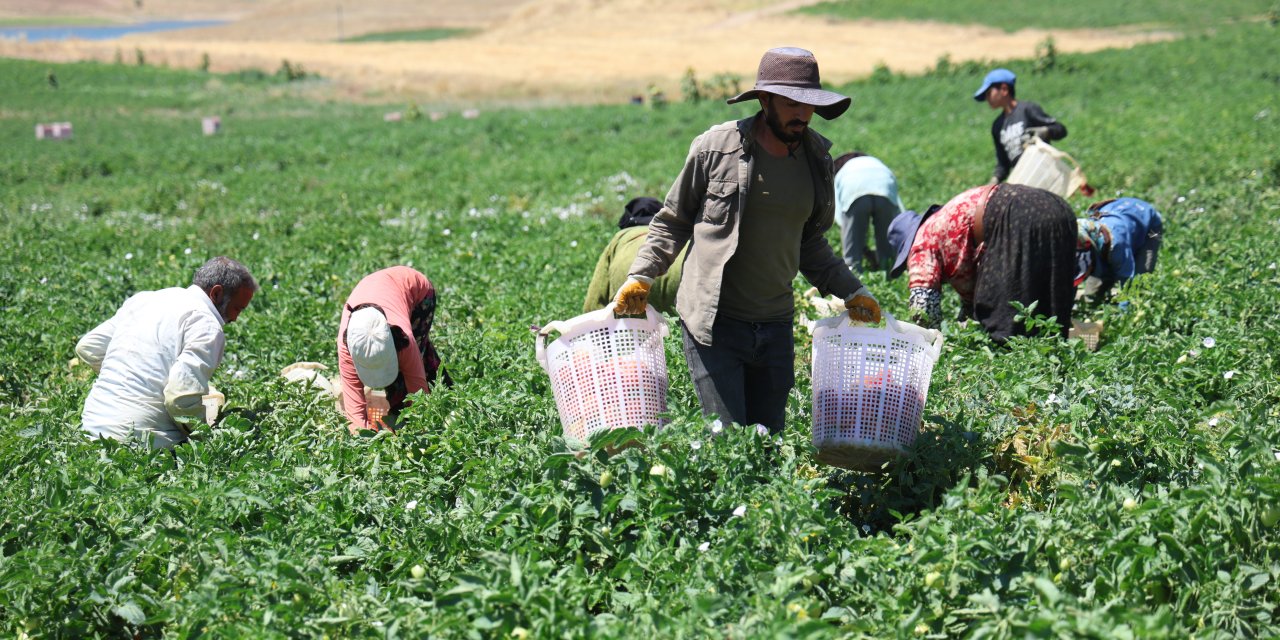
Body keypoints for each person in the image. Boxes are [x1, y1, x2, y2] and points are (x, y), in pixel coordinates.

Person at [613, 46, 881, 433]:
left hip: (774, 324)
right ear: (765, 99)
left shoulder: (817, 159)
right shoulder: (716, 148)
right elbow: (672, 221)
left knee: (769, 441)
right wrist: (642, 275)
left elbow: (810, 242)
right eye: (792, 103)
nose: (802, 114)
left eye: (810, 104)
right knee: (727, 443)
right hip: (715, 323)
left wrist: (851, 290)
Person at [75, 256, 257, 449]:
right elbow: (180, 397)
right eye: (237, 308)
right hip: (144, 443)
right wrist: (206, 438)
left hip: (90, 432)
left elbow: (88, 347)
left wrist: (128, 378)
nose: (236, 318)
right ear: (217, 293)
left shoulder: (144, 299)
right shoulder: (207, 325)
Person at [887, 183, 1076, 342]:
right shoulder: (943, 222)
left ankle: (1015, 363)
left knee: (1004, 321)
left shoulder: (922, 241)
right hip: (1058, 208)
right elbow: (974, 292)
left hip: (1015, 214)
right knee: (1048, 296)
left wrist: (929, 344)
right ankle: (1055, 353)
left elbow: (923, 305)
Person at [337, 266, 449, 434]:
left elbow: (417, 391)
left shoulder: (403, 338)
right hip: (380, 291)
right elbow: (355, 414)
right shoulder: (347, 347)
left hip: (417, 292)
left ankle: (449, 398)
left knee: (407, 374)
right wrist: (362, 439)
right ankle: (448, 390)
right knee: (418, 359)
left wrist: (419, 431)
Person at [583, 196, 685, 316]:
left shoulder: (621, 237)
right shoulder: (674, 233)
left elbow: (594, 303)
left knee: (631, 328)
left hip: (631, 277)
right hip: (680, 273)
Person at [974, 68, 1067, 184]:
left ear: (1004, 89)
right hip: (1023, 180)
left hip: (1043, 174)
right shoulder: (997, 126)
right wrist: (994, 181)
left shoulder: (1028, 109)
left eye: (988, 93)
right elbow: (1003, 164)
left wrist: (1045, 131)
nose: (987, 99)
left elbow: (1060, 129)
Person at [1076, 197, 1165, 301]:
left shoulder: (1116, 246)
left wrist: (1125, 313)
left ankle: (1138, 304)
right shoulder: (1081, 237)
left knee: (1141, 276)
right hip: (1118, 210)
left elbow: (1128, 281)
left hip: (1151, 225)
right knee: (1091, 295)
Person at [833, 152, 904, 274]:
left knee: (852, 253)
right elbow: (899, 210)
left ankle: (853, 272)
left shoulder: (842, 173)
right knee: (886, 238)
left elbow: (840, 217)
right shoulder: (876, 163)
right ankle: (887, 269)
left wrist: (858, 243)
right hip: (885, 187)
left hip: (853, 190)